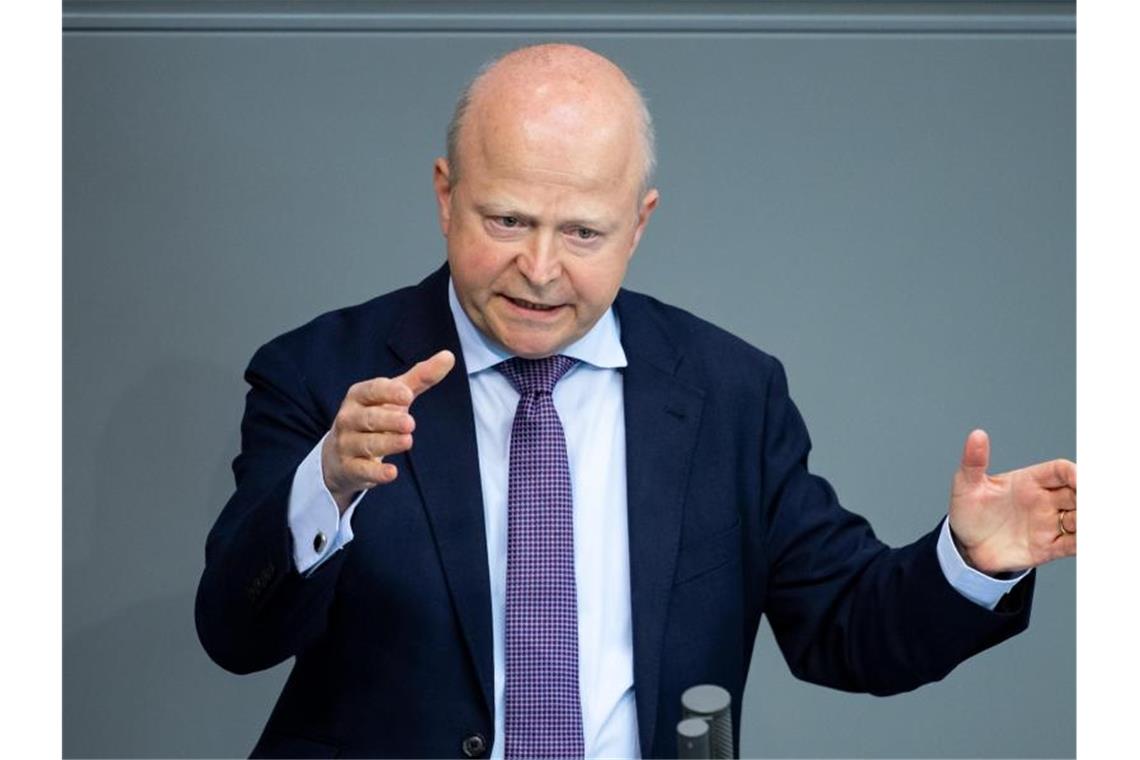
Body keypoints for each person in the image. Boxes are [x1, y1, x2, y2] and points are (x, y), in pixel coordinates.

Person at [195, 43, 1076, 759]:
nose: (540, 269)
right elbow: (235, 635)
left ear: (640, 222)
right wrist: (329, 485)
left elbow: (847, 631)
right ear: (444, 195)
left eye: (582, 232)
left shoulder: (732, 393)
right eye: (506, 221)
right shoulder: (320, 373)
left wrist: (970, 560)